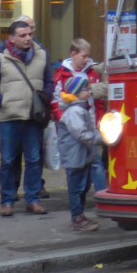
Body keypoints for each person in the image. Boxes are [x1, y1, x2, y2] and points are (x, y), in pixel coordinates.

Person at [0, 21, 50, 216]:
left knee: (34, 160)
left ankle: (33, 200)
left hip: (33, 116)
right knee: (8, 161)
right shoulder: (1, 56)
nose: (28, 38)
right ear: (11, 38)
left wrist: (46, 98)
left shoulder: (41, 54)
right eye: (22, 35)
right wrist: (2, 101)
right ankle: (7, 201)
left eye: (29, 34)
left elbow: (49, 81)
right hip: (8, 116)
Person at [51, 37, 107, 191]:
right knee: (75, 165)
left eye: (88, 56)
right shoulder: (61, 75)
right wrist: (63, 120)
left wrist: (99, 120)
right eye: (84, 56)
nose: (86, 59)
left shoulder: (93, 72)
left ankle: (100, 194)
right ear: (73, 54)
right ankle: (78, 197)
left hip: (92, 123)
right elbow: (55, 102)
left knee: (95, 162)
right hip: (71, 127)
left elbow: (99, 101)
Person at [57, 75, 100, 232]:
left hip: (81, 155)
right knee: (76, 188)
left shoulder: (80, 108)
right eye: (85, 89)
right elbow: (81, 134)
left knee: (83, 186)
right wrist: (101, 138)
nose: (89, 92)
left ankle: (79, 215)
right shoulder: (74, 111)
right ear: (76, 92)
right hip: (74, 156)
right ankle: (77, 217)